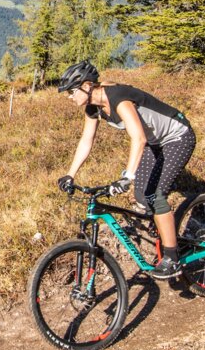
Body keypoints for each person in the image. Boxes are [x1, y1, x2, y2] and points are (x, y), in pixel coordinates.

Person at [57, 60, 196, 280]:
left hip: (177, 137)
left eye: (71, 91)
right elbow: (86, 140)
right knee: (141, 195)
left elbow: (138, 138)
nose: (69, 97)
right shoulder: (93, 108)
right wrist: (70, 174)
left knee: (155, 195)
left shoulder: (118, 98)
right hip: (155, 142)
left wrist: (127, 177)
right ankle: (167, 231)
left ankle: (172, 259)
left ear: (86, 86)